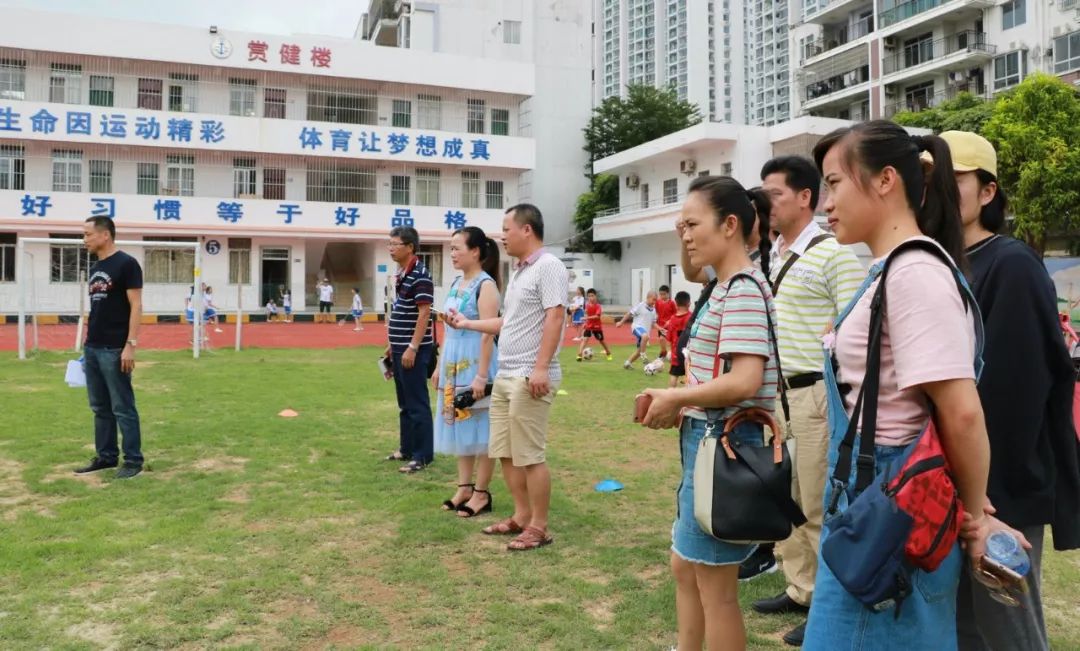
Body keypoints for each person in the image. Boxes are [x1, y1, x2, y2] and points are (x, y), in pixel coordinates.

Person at [803, 120, 1023, 649]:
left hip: (891, 510)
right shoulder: (890, 269)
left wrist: (973, 515)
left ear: (884, 181)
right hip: (870, 503)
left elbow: (961, 412)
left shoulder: (915, 273)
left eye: (834, 183)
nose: (825, 202)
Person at [937, 130, 1080, 651]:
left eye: (954, 180)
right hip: (952, 478)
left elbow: (1017, 390)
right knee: (960, 625)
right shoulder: (940, 262)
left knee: (1007, 622)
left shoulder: (1012, 263)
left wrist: (988, 499)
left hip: (1001, 484)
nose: (939, 191)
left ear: (988, 192)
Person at [638, 176, 779, 651]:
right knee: (687, 565)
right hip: (707, 441)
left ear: (731, 225)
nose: (687, 235)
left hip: (725, 447)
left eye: (694, 224)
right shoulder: (723, 284)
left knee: (716, 588)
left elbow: (745, 381)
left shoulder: (740, 289)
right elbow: (693, 269)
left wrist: (677, 398)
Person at [747, 156, 865, 646]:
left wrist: (829, 337)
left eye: (774, 194)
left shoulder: (834, 252)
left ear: (804, 198)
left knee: (816, 502)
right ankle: (798, 587)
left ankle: (823, 604)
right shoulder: (770, 254)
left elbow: (854, 318)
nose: (766, 204)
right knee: (785, 496)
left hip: (816, 393)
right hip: (779, 396)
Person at [447, 204, 567, 551]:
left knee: (529, 453)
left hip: (530, 375)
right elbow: (508, 323)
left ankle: (539, 527)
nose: (502, 235)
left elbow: (555, 318)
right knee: (506, 452)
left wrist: (541, 367)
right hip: (507, 374)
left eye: (507, 228)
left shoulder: (549, 267)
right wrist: (466, 324)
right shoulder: (519, 272)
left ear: (527, 230)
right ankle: (521, 516)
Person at [434, 226, 502, 518]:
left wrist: (481, 375)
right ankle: (463, 486)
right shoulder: (456, 284)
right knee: (460, 423)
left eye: (457, 248)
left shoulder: (486, 286)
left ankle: (482, 493)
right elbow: (448, 329)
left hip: (477, 362)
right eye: (450, 248)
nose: (452, 254)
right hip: (452, 362)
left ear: (475, 251)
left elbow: (488, 333)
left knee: (483, 428)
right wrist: (439, 366)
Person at [74, 216, 145, 480]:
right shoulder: (96, 267)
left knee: (122, 406)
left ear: (105, 235)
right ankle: (106, 457)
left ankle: (133, 460)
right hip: (92, 348)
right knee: (99, 407)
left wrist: (130, 345)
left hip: (115, 348)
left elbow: (136, 306)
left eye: (87, 234)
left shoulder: (127, 264)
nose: (85, 240)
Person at [383, 227, 436, 473]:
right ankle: (406, 449)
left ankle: (423, 455)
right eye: (389, 243)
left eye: (395, 244)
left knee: (417, 404)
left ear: (410, 247)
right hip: (399, 348)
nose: (391, 248)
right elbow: (403, 312)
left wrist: (412, 347)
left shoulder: (420, 274)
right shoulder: (403, 273)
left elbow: (424, 313)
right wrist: (393, 344)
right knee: (404, 403)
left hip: (412, 350)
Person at [617, 290, 658, 369]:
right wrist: (621, 322)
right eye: (653, 299)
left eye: (656, 300)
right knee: (645, 337)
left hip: (644, 333)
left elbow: (653, 323)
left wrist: (660, 328)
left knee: (639, 350)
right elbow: (630, 313)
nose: (654, 302)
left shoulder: (653, 310)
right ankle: (643, 354)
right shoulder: (641, 305)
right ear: (648, 298)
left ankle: (627, 363)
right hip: (637, 327)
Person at [664, 291, 692, 388]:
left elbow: (668, 338)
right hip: (689, 354)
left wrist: (669, 352)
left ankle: (670, 395)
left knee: (674, 375)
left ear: (676, 303)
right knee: (689, 375)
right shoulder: (691, 318)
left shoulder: (672, 319)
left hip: (676, 354)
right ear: (689, 303)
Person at [576, 288, 612, 361]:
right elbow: (587, 314)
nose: (590, 298)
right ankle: (579, 355)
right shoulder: (587, 305)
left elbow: (597, 316)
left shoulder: (598, 306)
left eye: (592, 296)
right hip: (589, 326)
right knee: (585, 339)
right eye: (589, 296)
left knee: (601, 341)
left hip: (597, 326)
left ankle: (608, 353)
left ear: (595, 296)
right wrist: (585, 323)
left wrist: (586, 318)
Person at [655, 285, 676, 361]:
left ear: (668, 294)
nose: (662, 296)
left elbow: (675, 314)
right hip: (660, 326)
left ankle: (665, 355)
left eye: (664, 294)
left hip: (669, 326)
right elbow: (656, 312)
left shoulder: (672, 303)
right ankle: (665, 353)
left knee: (664, 339)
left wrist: (670, 321)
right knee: (661, 340)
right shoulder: (658, 302)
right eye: (660, 294)